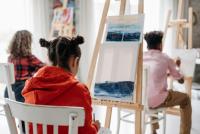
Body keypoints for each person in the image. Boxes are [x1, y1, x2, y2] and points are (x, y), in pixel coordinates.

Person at [22, 36, 100, 134]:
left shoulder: (31, 86)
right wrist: (96, 127)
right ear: (74, 61)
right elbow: (87, 132)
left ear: (50, 60)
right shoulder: (80, 91)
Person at [143, 31, 192, 134]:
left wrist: (168, 72)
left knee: (151, 89)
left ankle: (154, 131)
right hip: (156, 100)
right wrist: (177, 66)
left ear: (148, 45)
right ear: (160, 45)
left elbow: (155, 76)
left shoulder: (142, 57)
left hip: (142, 100)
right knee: (186, 99)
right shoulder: (164, 57)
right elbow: (180, 80)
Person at [5, 30, 44, 102]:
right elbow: (44, 68)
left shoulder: (10, 58)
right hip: (22, 91)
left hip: (9, 91)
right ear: (27, 43)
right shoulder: (30, 58)